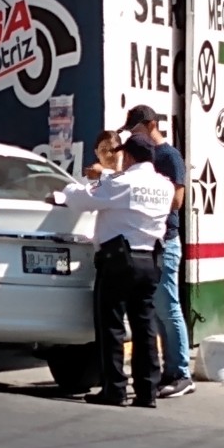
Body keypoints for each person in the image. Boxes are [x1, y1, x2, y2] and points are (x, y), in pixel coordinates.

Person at [47, 134, 173, 408]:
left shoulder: (122, 182)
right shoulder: (165, 186)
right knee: (145, 328)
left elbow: (83, 200)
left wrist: (66, 191)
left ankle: (114, 389)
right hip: (151, 260)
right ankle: (147, 392)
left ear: (127, 156)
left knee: (112, 326)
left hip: (119, 261)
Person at [119, 105, 195, 398]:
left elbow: (177, 201)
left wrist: (146, 198)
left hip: (167, 240)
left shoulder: (169, 157)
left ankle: (181, 373)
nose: (135, 136)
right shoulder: (140, 160)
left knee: (168, 307)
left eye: (137, 130)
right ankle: (169, 370)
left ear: (151, 125)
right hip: (149, 242)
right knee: (157, 311)